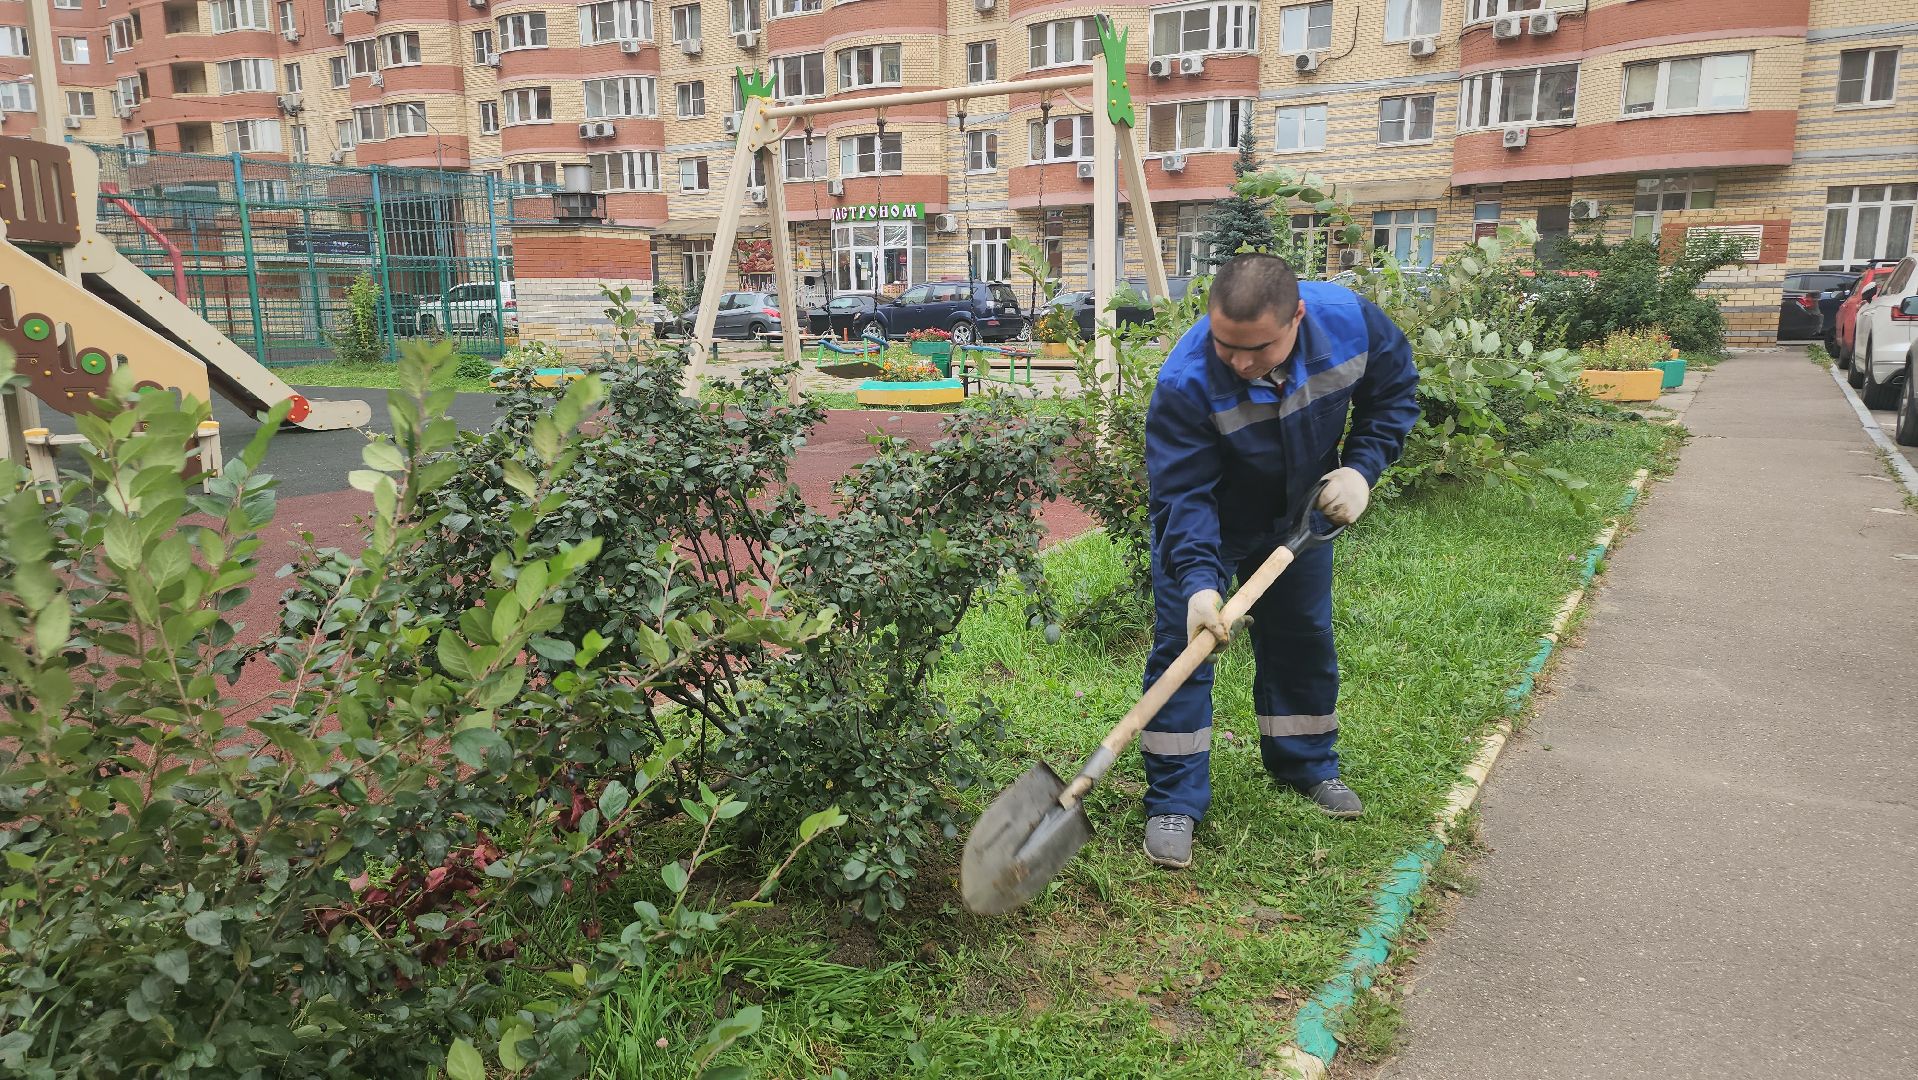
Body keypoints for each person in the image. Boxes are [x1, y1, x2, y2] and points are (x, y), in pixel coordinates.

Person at [1140, 253, 1419, 869]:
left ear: (1297, 317)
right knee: (1186, 648)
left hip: (1299, 515)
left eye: (1258, 349)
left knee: (1302, 635)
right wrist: (1199, 584)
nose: (1240, 363)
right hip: (1212, 520)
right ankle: (1174, 800)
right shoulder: (1186, 382)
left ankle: (1306, 763)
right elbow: (1184, 495)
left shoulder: (1351, 325)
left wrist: (1361, 469)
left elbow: (1394, 391)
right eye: (1225, 345)